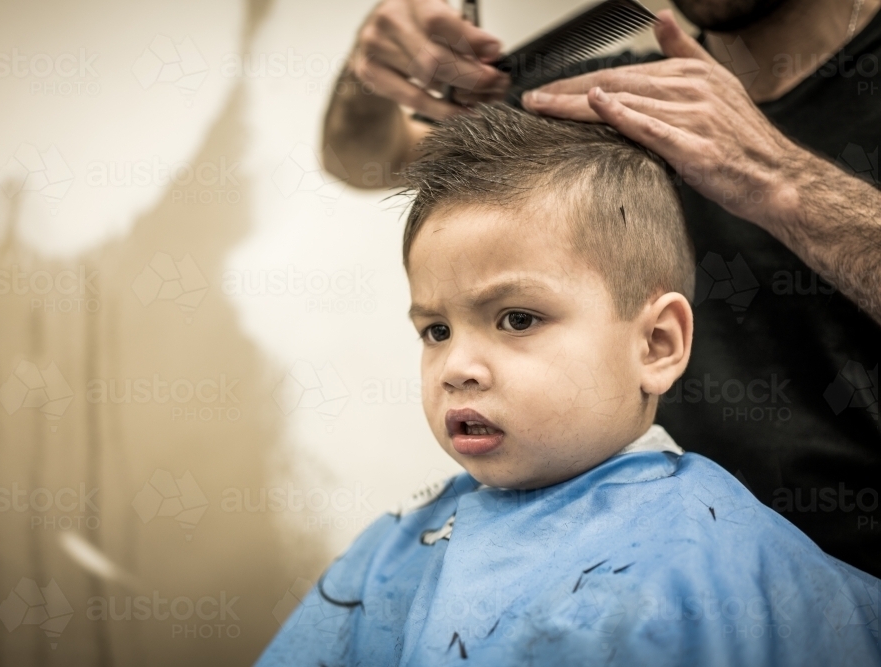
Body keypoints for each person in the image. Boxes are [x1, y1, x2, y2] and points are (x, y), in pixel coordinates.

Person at [258, 105, 880, 666]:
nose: (455, 367)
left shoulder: (706, 558)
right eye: (436, 330)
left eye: (518, 319)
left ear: (656, 344)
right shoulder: (400, 544)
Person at [322, 0, 881, 577]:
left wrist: (785, 179)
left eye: (517, 319)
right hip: (619, 563)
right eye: (436, 330)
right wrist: (371, 72)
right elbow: (361, 158)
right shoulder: (607, 100)